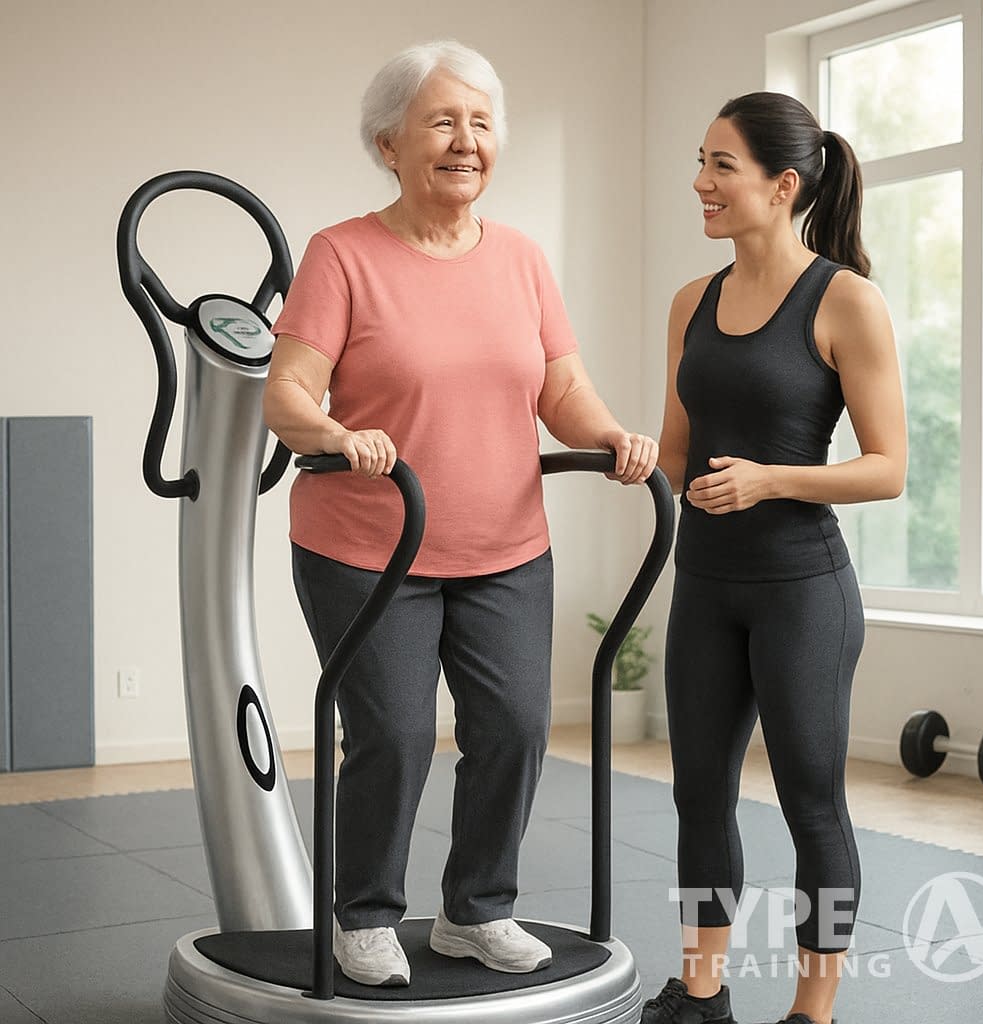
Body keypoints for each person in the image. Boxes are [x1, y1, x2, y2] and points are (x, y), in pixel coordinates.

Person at [263, 40, 658, 988]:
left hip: (506, 547)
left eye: (481, 123)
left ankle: (477, 911)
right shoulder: (342, 254)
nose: (465, 141)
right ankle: (363, 914)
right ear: (388, 142)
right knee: (395, 734)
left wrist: (614, 437)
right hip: (370, 548)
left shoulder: (520, 258)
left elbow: (562, 389)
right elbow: (286, 394)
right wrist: (337, 431)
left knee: (518, 727)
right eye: (442, 121)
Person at [643, 93, 907, 1024]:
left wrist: (772, 481)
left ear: (782, 184)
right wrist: (622, 454)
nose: (700, 183)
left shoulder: (845, 300)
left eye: (721, 165)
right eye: (701, 161)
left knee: (811, 802)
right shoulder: (692, 301)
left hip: (803, 592)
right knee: (698, 794)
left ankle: (813, 1011)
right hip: (705, 586)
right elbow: (674, 453)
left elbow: (888, 470)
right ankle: (702, 993)